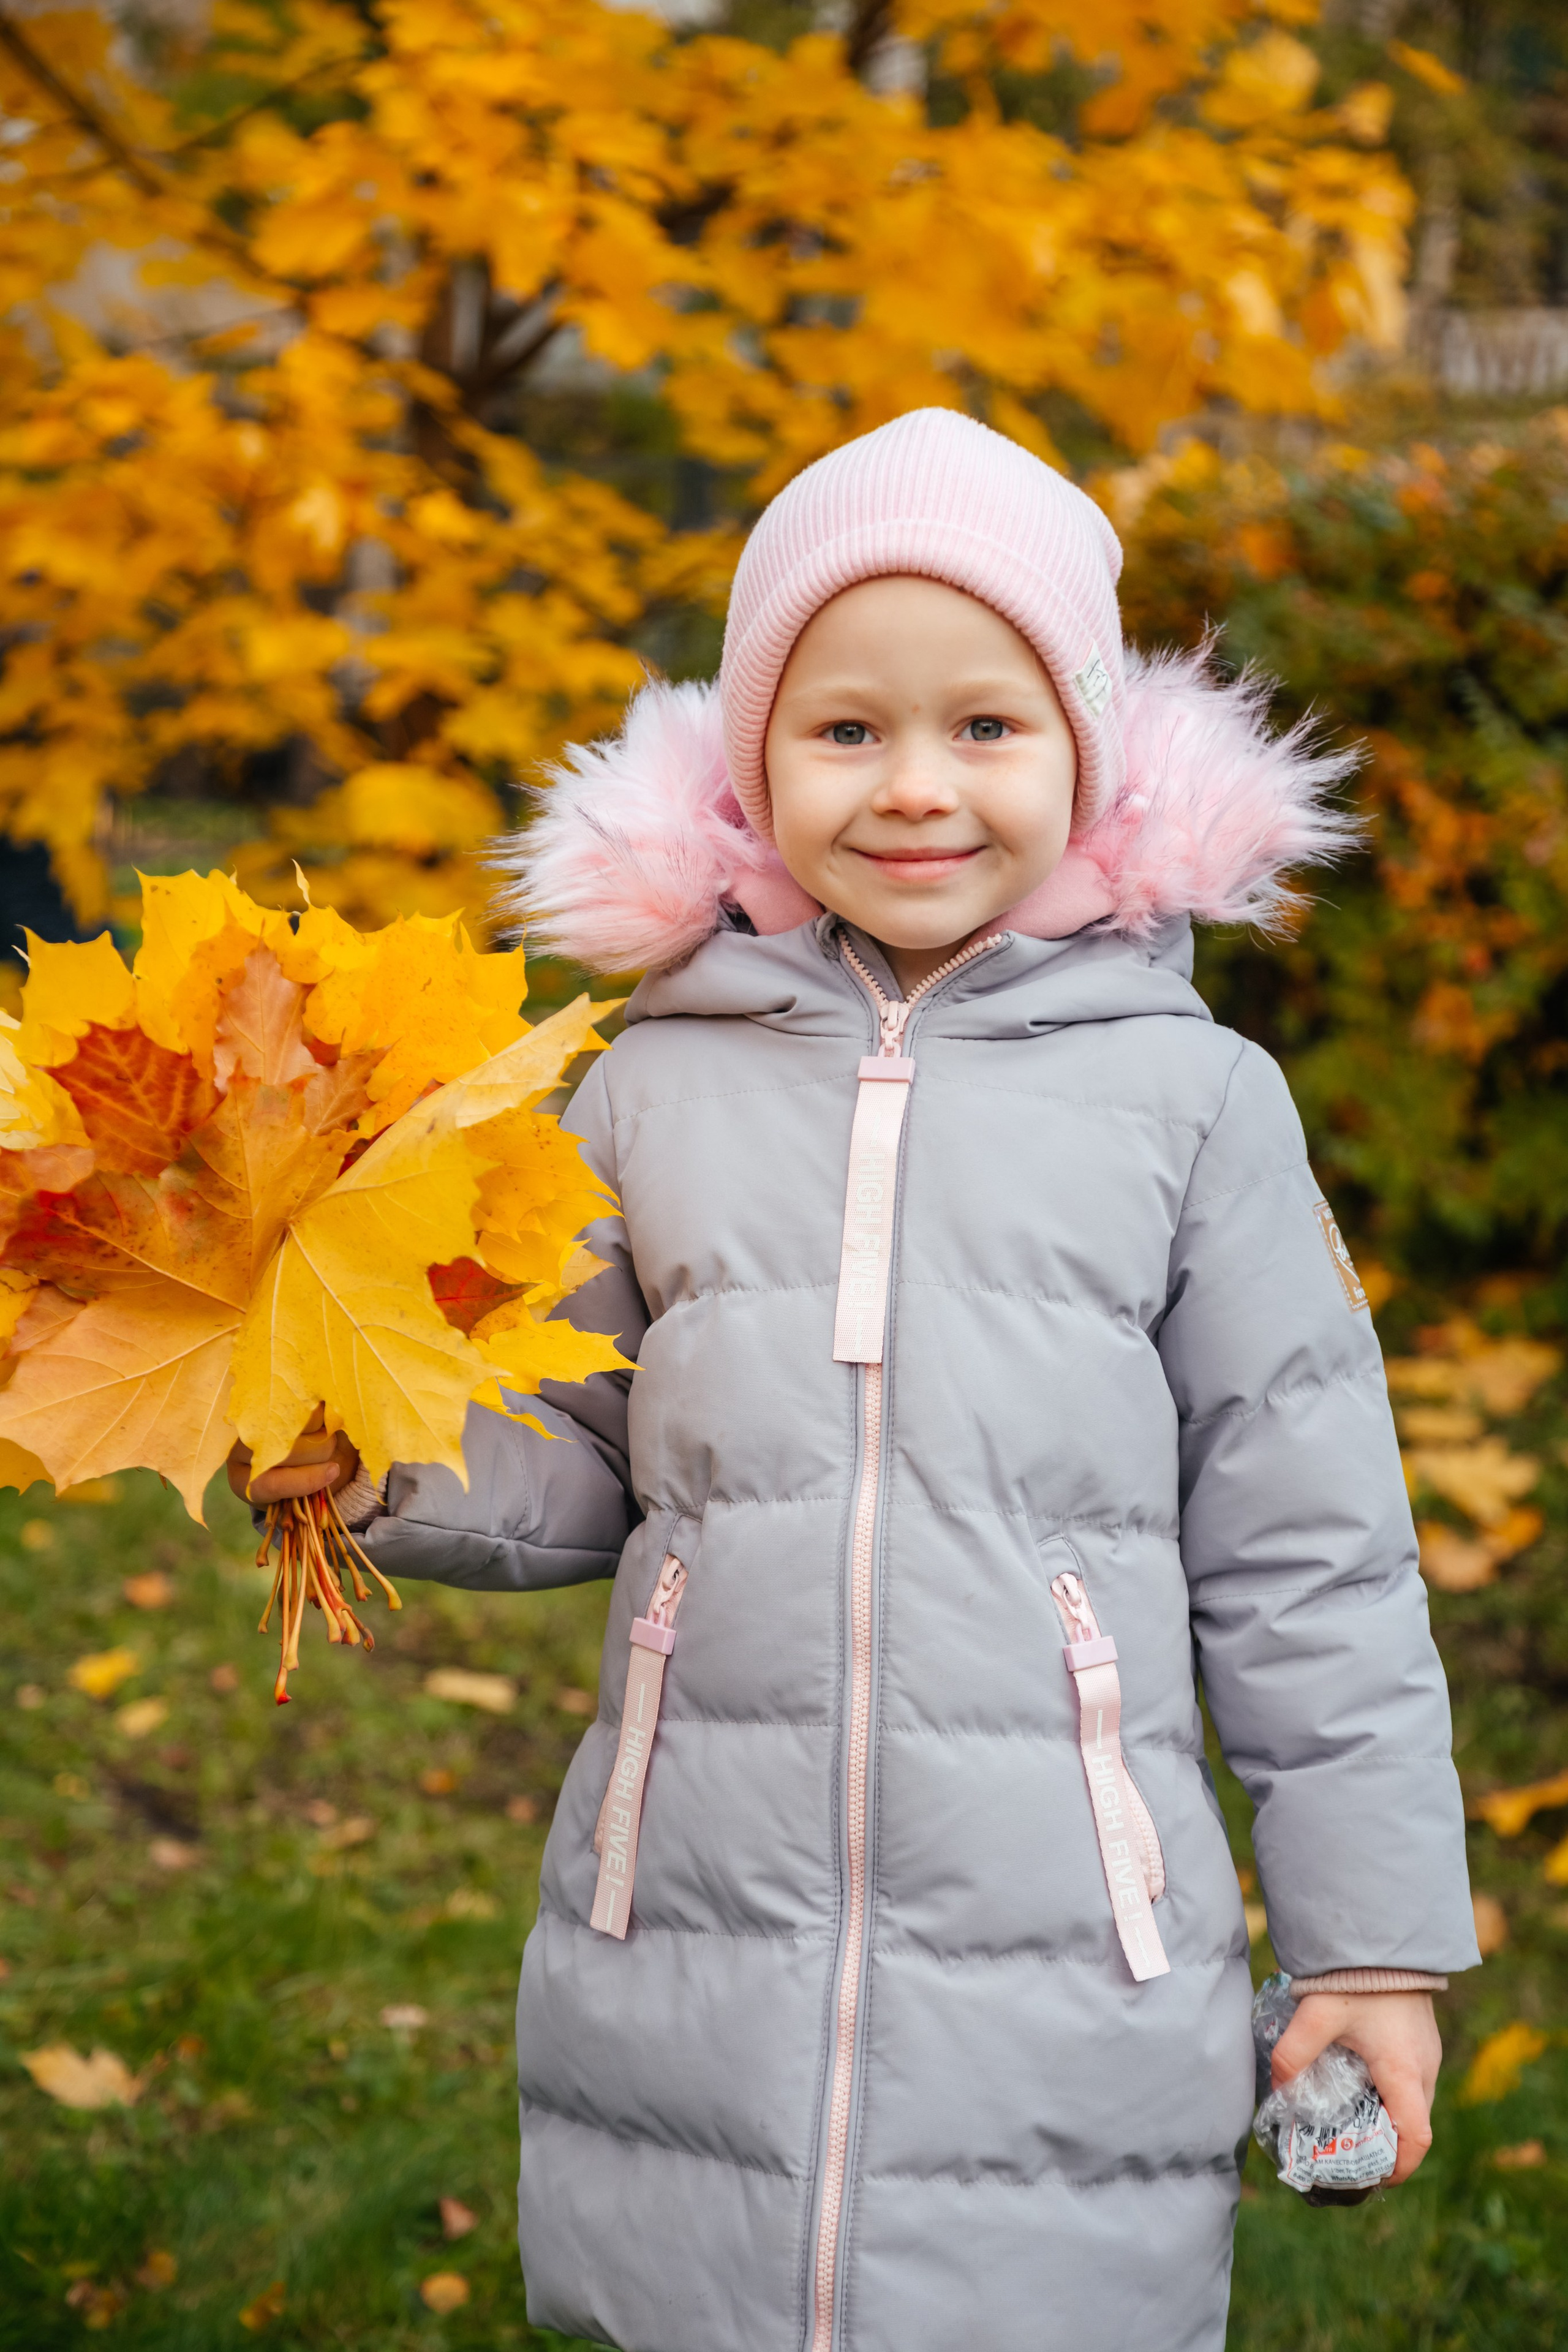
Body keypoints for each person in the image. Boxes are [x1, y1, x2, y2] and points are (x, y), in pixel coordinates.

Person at [230, 410, 1478, 2352]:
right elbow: (581, 1438)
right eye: (846, 730)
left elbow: (1313, 1552)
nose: (915, 788)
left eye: (986, 726)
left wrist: (1375, 1940)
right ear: (754, 761)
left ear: (1086, 752)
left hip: (1074, 1960)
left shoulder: (1193, 1103)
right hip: (696, 1932)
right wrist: (387, 1461)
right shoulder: (655, 1080)